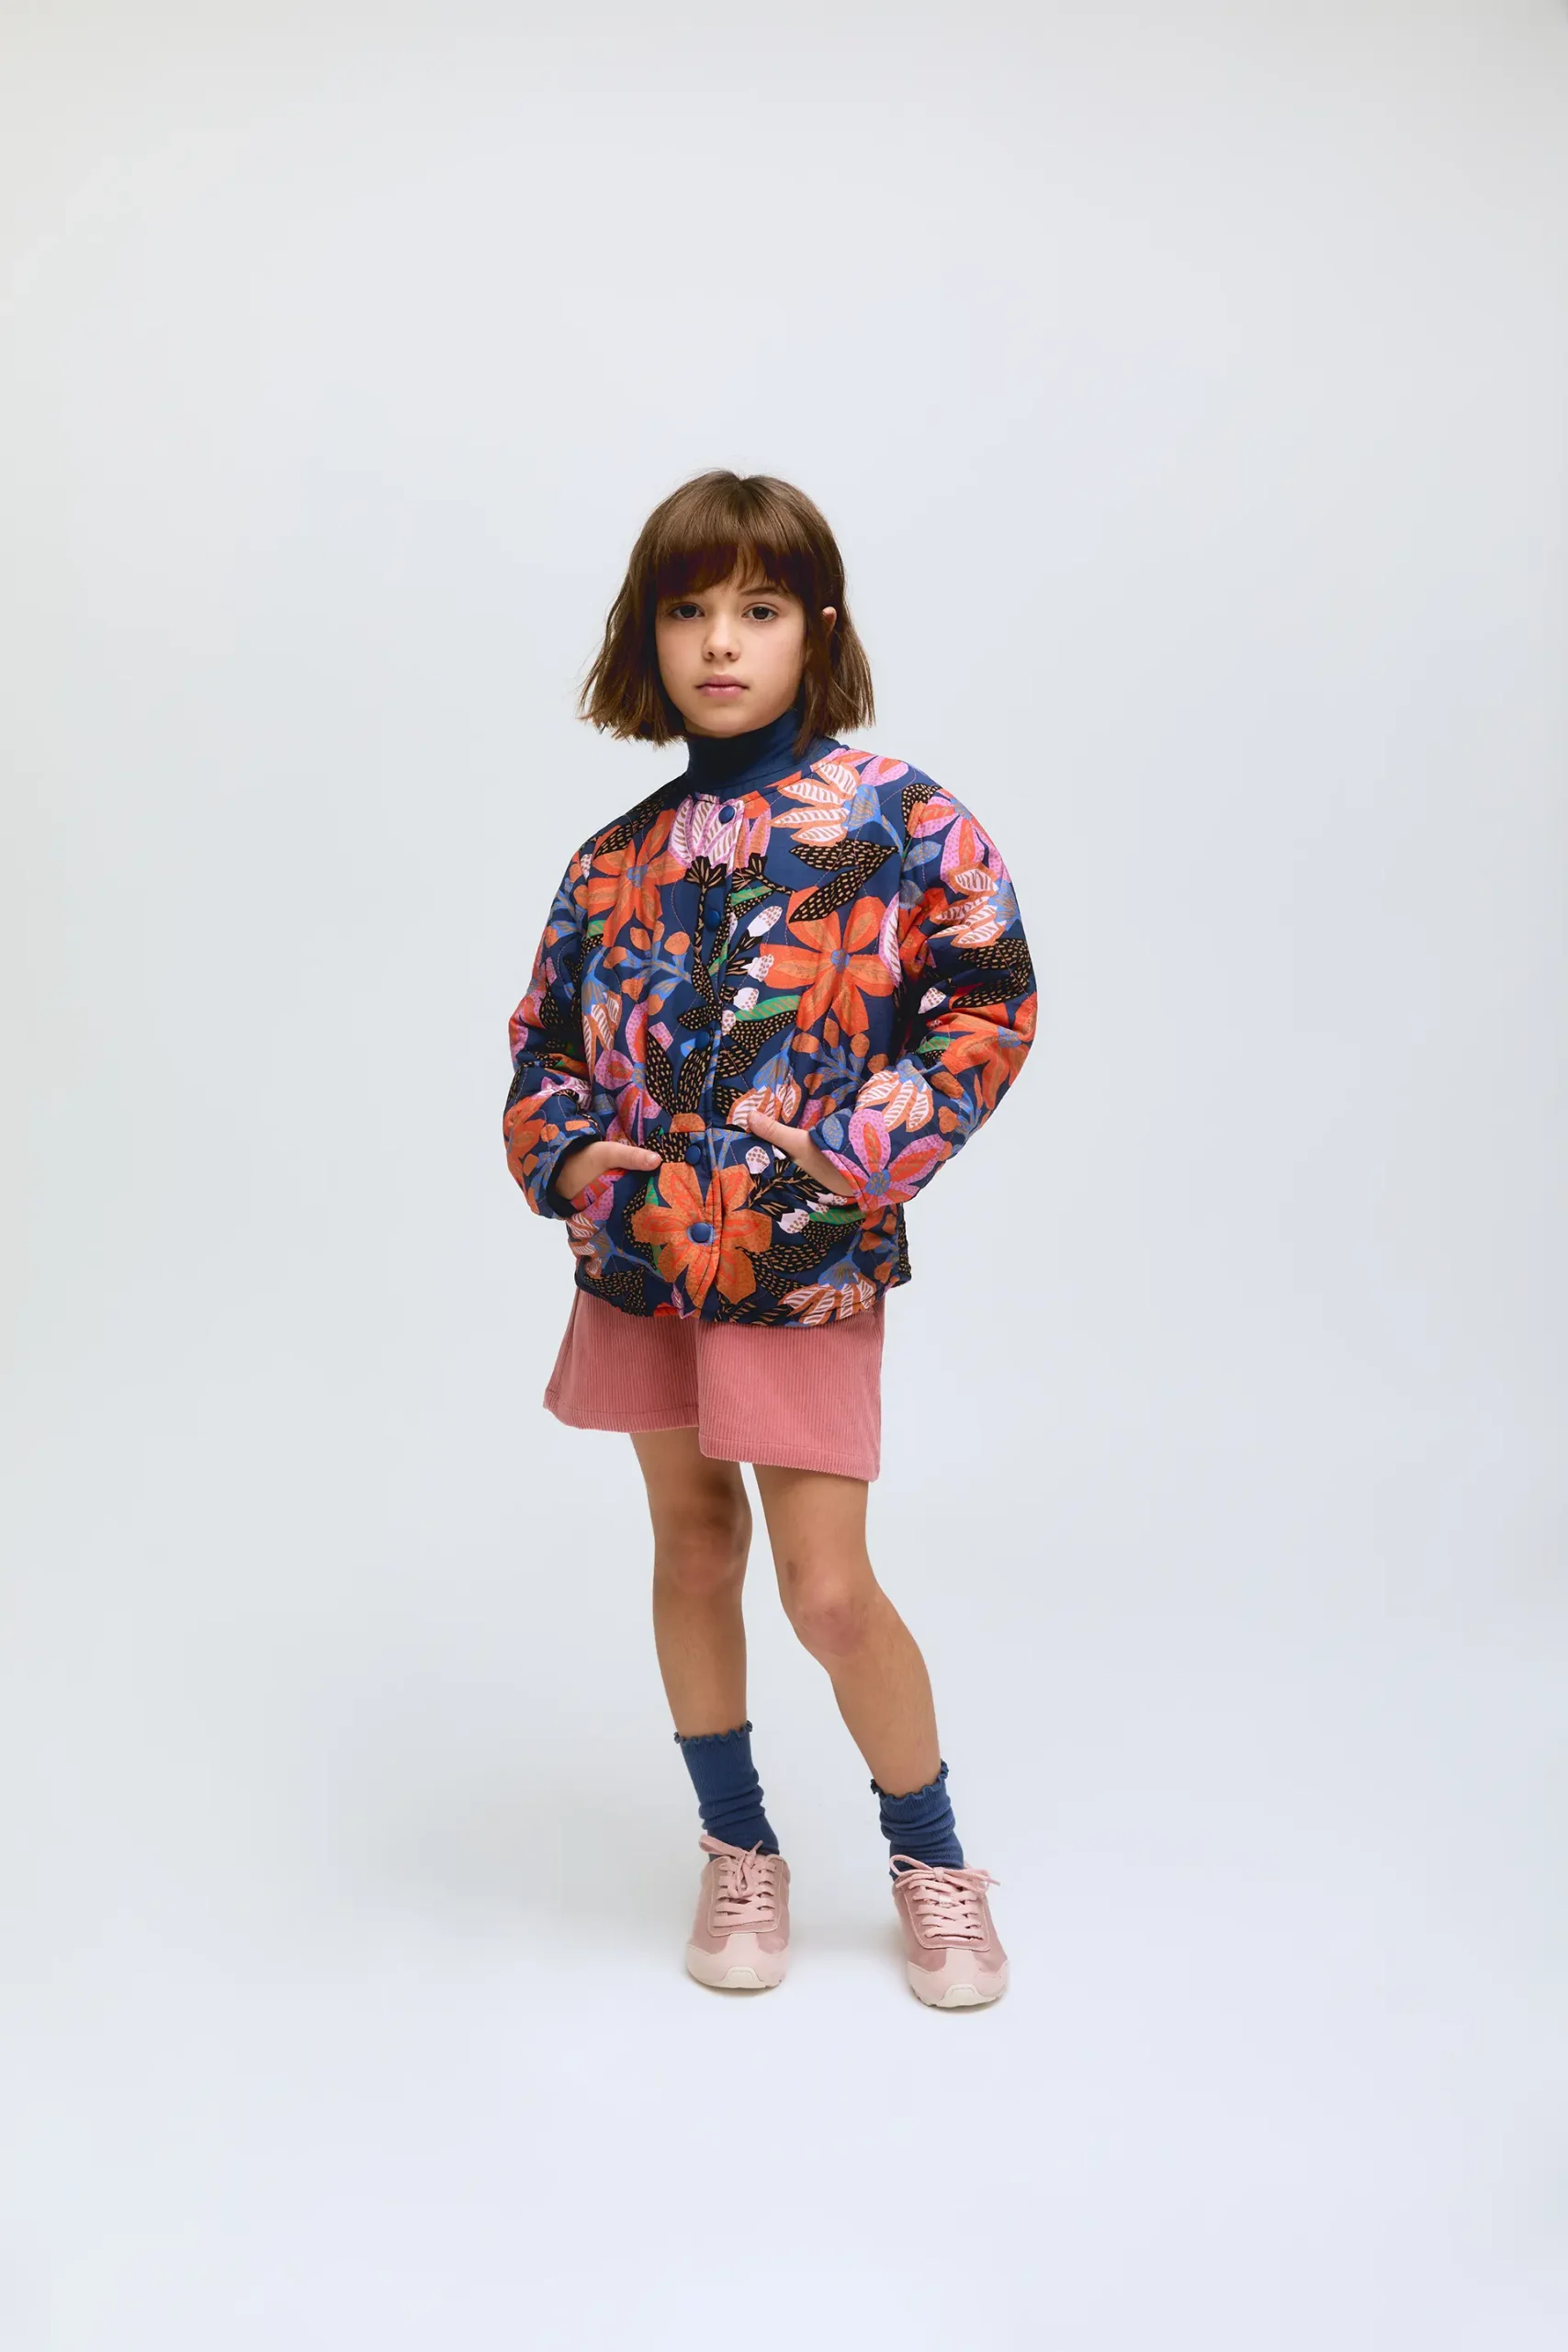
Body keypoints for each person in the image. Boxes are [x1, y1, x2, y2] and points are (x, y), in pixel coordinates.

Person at [503, 469, 1037, 2007]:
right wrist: (566, 1154)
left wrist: (864, 1152)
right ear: (647, 637)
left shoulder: (900, 820)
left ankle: (932, 1862)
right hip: (640, 1252)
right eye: (687, 611)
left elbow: (988, 997)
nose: (721, 642)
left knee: (825, 1590)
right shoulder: (612, 858)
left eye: (757, 607)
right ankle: (737, 1850)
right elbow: (542, 1044)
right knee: (691, 1545)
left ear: (818, 627)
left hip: (802, 1258)